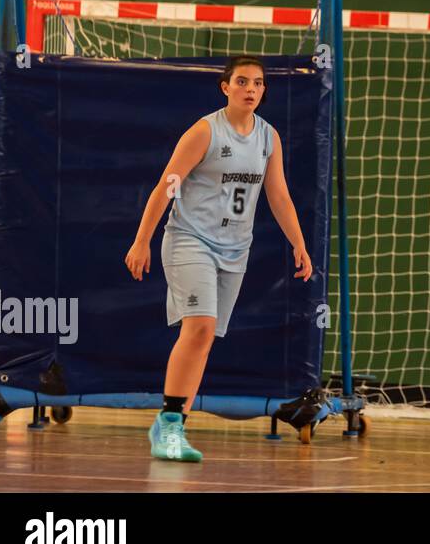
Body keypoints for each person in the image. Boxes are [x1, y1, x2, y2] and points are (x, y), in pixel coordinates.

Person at [125, 56, 313, 462]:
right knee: (199, 327)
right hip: (189, 240)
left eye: (258, 83)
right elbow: (166, 186)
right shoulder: (204, 132)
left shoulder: (268, 138)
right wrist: (141, 240)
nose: (251, 89)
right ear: (225, 87)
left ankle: (172, 424)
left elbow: (278, 195)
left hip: (234, 249)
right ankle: (170, 425)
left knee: (205, 339)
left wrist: (298, 242)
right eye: (242, 81)